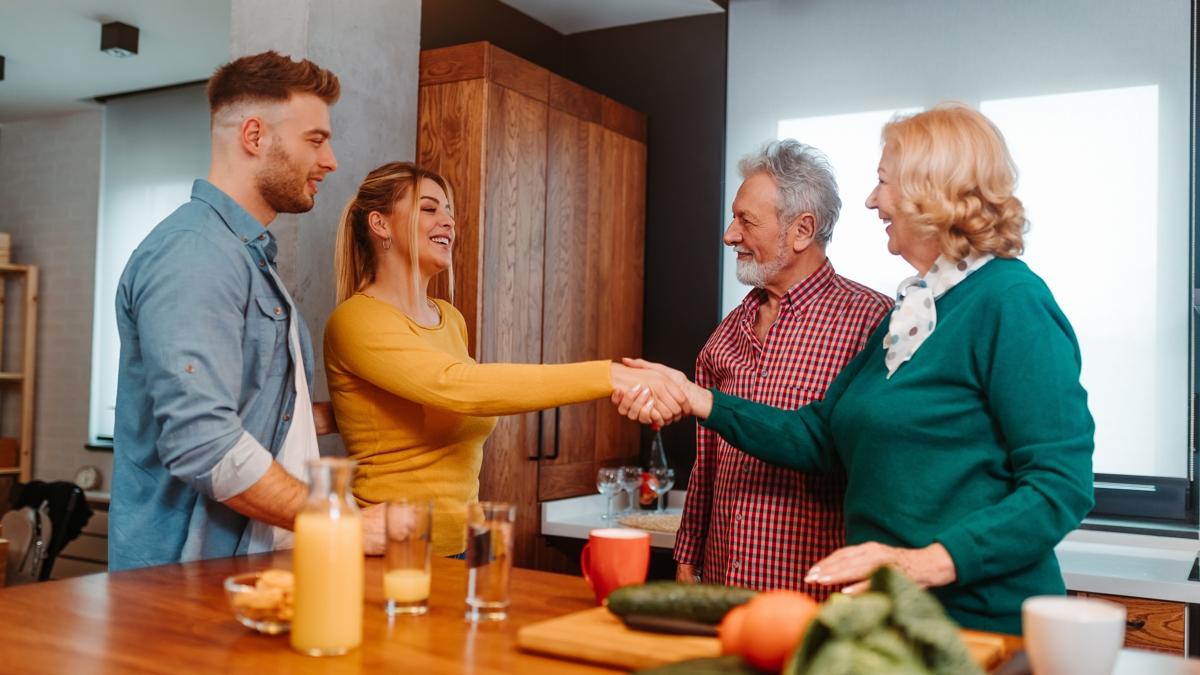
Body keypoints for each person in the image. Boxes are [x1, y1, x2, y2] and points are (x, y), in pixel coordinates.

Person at [619, 103, 1095, 634]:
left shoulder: (1011, 300)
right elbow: (820, 434)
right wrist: (696, 397)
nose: (872, 201)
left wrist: (919, 563)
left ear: (931, 190)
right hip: (890, 620)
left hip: (977, 627)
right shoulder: (910, 313)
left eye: (883, 182)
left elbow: (1061, 486)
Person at [324, 162, 687, 557]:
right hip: (391, 553)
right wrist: (609, 375)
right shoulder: (356, 320)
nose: (448, 221)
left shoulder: (450, 320)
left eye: (449, 210)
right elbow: (457, 387)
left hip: (464, 548)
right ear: (380, 224)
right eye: (429, 209)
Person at [110, 51, 384, 571]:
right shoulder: (194, 254)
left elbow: (256, 407)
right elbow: (203, 442)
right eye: (316, 140)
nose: (331, 162)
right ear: (254, 137)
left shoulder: (244, 255)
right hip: (186, 589)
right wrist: (343, 523)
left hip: (248, 572)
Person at [674, 140, 890, 598]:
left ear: (801, 230)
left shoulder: (873, 322)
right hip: (721, 594)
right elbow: (707, 465)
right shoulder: (725, 334)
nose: (729, 235)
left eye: (746, 220)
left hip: (821, 602)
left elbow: (884, 472)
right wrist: (688, 557)